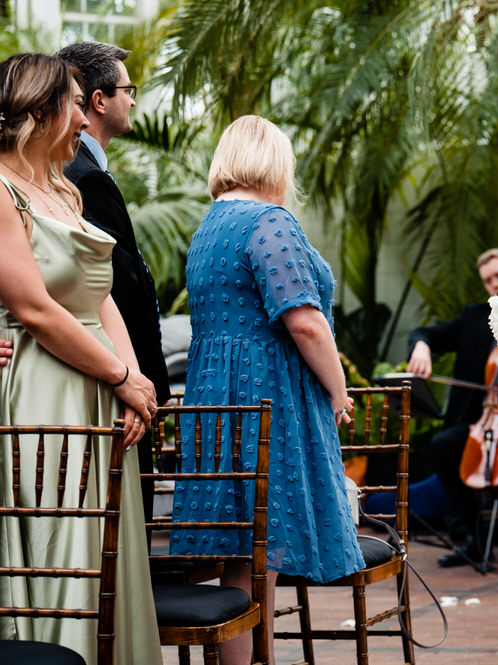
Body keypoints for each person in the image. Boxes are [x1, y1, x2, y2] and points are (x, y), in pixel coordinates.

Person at [170, 115, 365, 664]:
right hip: (265, 395)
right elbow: (303, 321)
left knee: (249, 549)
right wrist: (339, 387)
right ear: (274, 160)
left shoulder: (211, 225)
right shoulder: (268, 221)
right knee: (259, 545)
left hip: (219, 395)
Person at [0, 52, 161, 664]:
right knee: (59, 544)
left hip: (100, 389)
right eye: (72, 102)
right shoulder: (1, 190)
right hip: (45, 389)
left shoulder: (65, 190)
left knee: (105, 550)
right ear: (40, 111)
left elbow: (103, 298)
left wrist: (134, 382)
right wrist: (119, 373)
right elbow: (36, 310)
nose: (82, 117)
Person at [57, 41, 170, 536]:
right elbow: (115, 287)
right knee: (123, 523)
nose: (133, 100)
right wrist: (134, 378)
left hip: (119, 370)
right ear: (98, 99)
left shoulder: (84, 170)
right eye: (128, 90)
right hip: (113, 371)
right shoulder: (80, 175)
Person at [406, 248, 498, 567]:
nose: (495, 284)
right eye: (488, 280)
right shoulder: (475, 317)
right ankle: (470, 539)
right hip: (481, 419)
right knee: (444, 446)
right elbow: (425, 332)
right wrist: (422, 347)